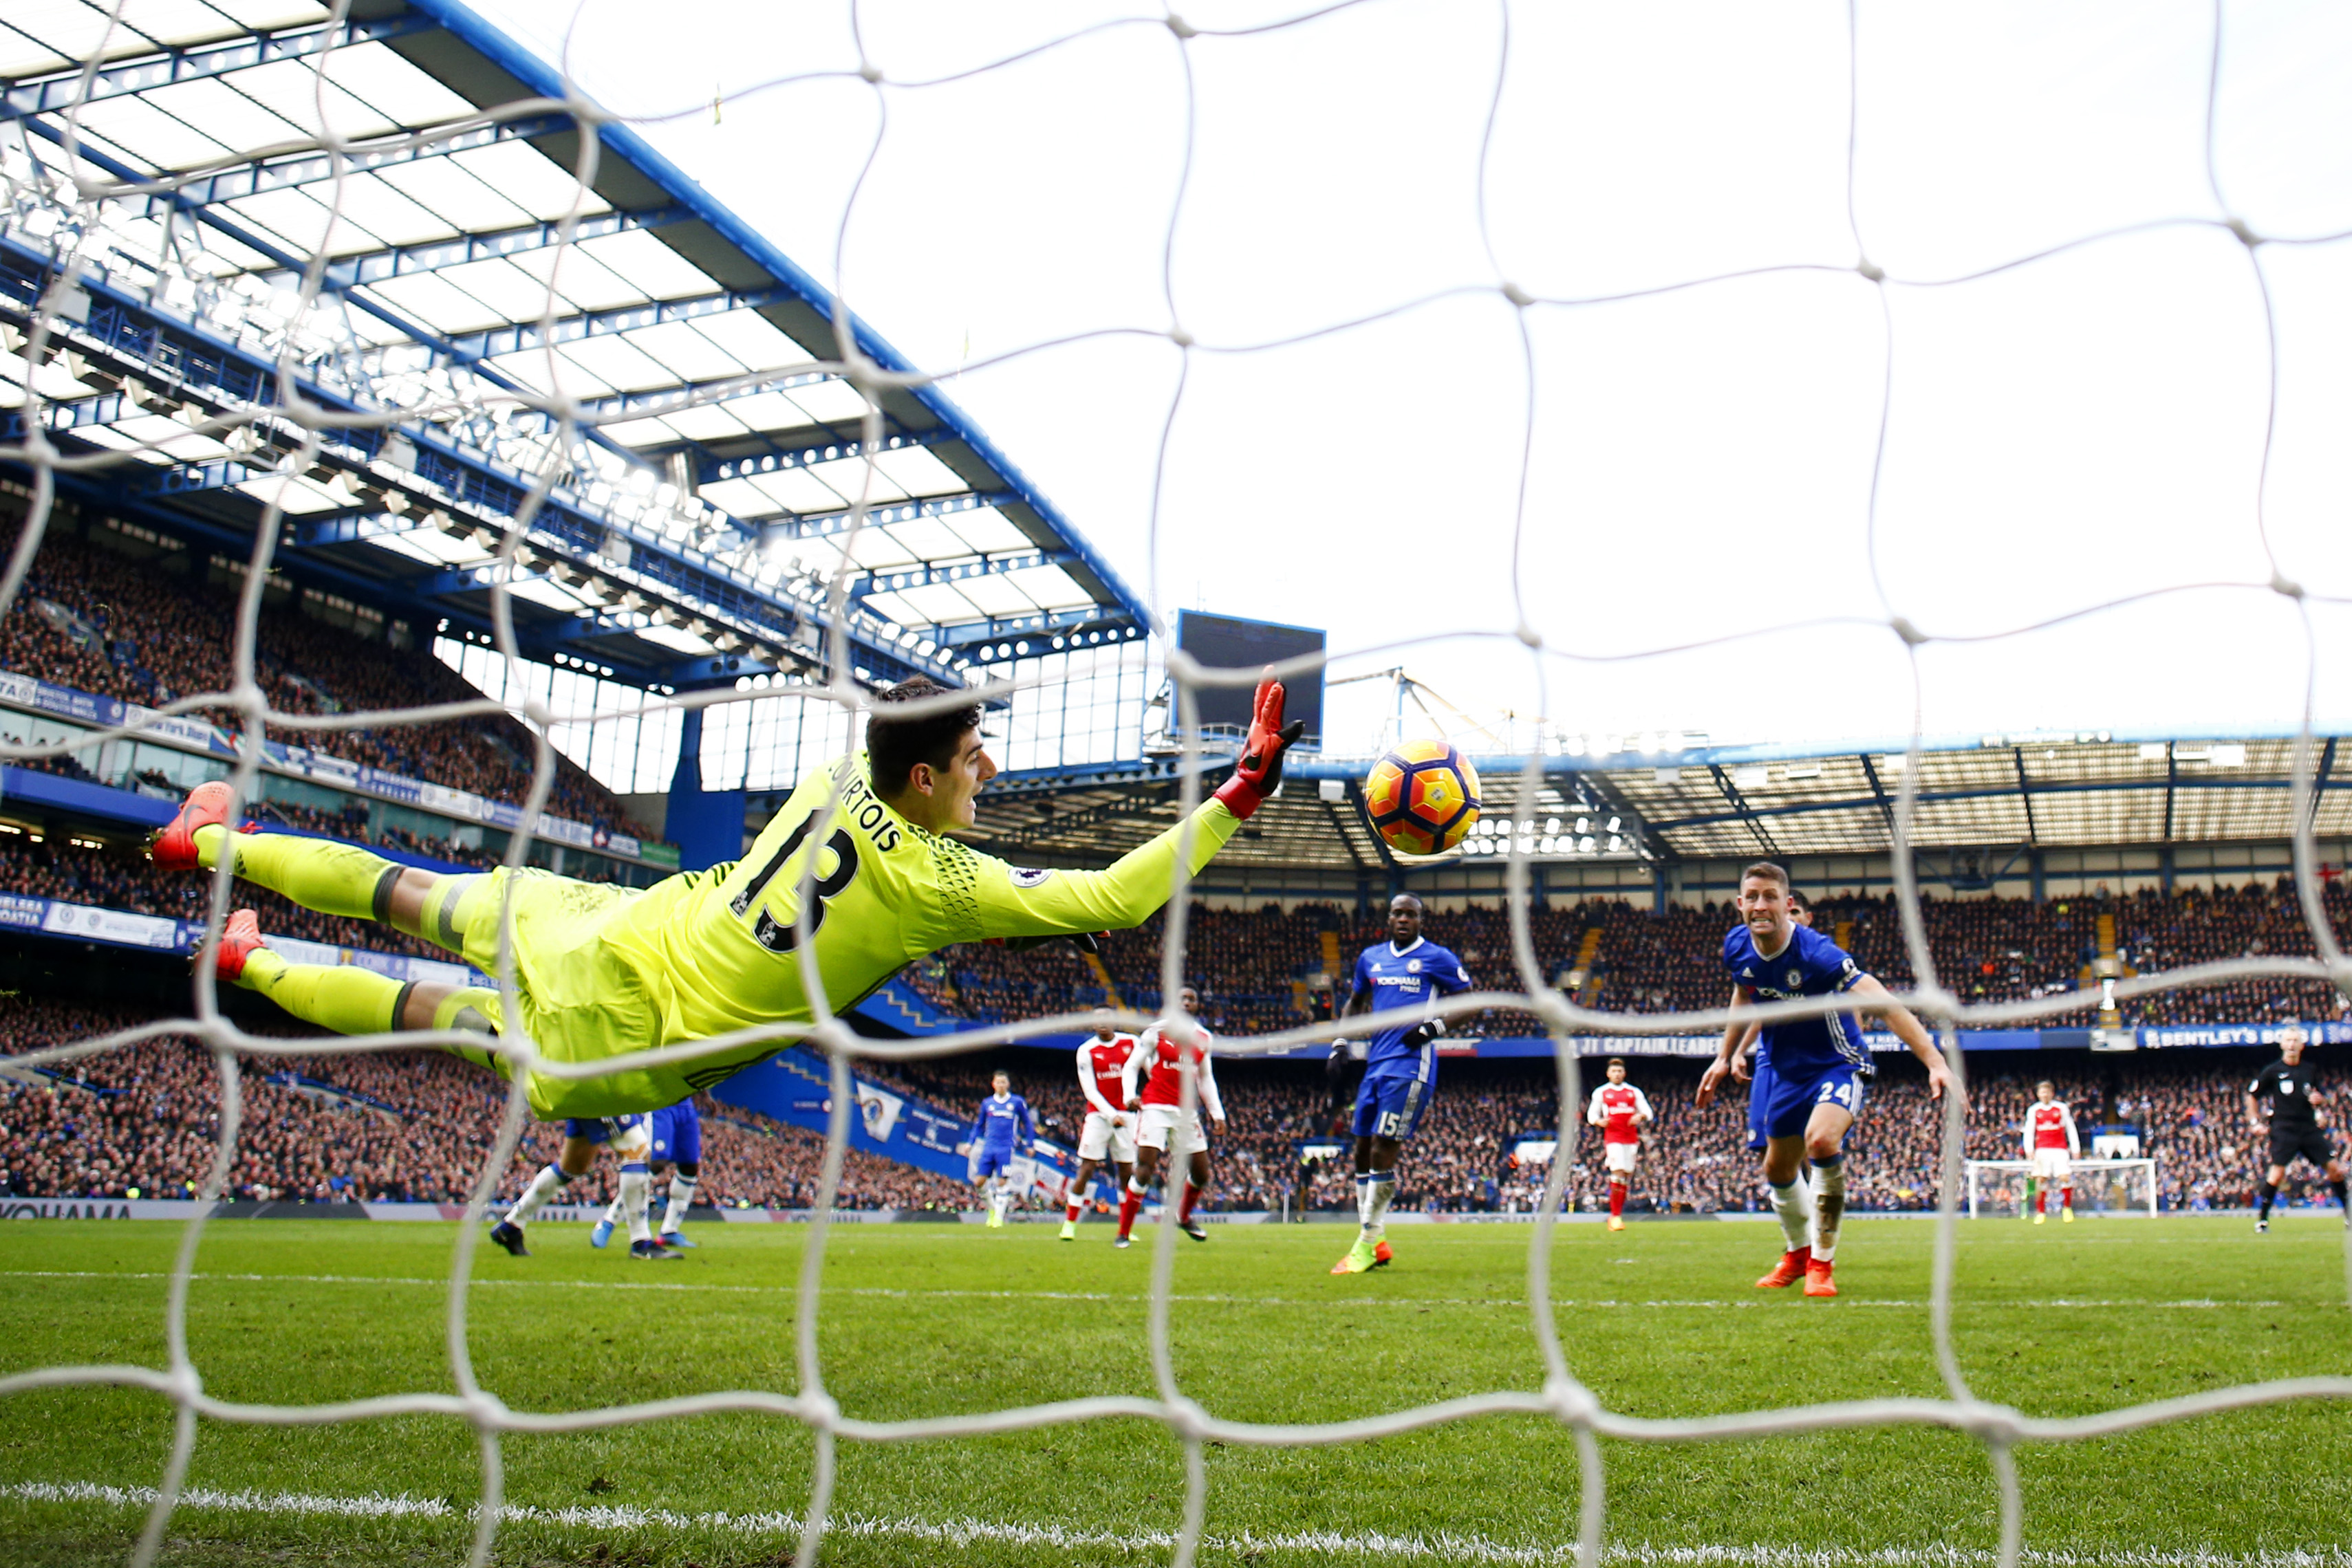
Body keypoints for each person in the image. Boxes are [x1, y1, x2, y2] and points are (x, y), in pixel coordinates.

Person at [153, 675, 1300, 1105]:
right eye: (971, 756)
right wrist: (1237, 789)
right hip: (624, 1045)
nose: (988, 768)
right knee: (426, 1015)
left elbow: (893, 717)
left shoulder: (838, 769)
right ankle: (249, 961)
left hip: (614, 928)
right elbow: (1113, 897)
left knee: (415, 893)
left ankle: (210, 845)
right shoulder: (942, 884)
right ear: (921, 776)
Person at [1696, 862, 1953, 1298]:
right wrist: (1726, 1056)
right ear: (1740, 904)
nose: (1761, 905)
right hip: (1784, 1069)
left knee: (1821, 1143)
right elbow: (1744, 990)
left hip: (1837, 1062)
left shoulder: (1818, 955)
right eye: (1753, 897)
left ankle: (1822, 1262)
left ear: (1787, 904)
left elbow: (1886, 1003)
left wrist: (1934, 1061)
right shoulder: (1737, 946)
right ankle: (1797, 1254)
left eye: (1770, 897)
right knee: (1776, 1167)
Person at [1328, 893, 1471, 1276]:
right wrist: (1341, 1042)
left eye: (1411, 914)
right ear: (1388, 918)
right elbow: (1354, 1002)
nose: (1404, 919)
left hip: (1411, 1068)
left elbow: (1471, 1004)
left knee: (1381, 1149)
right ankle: (1375, 1240)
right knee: (1360, 1148)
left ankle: (1367, 1240)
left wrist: (1431, 1029)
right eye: (1398, 913)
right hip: (1375, 1065)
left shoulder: (1438, 958)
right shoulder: (1371, 958)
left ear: (1421, 920)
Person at [1115, 985, 1225, 1249]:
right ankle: (1123, 1232)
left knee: (1201, 1175)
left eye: (1192, 999)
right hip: (1155, 1107)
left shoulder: (1203, 1037)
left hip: (1187, 1112)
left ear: (1197, 1005)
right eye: (1182, 998)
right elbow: (1131, 1065)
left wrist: (1217, 1112)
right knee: (1145, 1169)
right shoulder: (1157, 1031)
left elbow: (1205, 1077)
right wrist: (1129, 1095)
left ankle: (1183, 1217)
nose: (1187, 1002)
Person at [490, 1111, 679, 1262]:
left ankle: (510, 1227)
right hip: (599, 1085)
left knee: (572, 1166)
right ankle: (641, 1243)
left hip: (583, 1083)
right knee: (636, 1150)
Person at [2246, 1023, 2349, 1232]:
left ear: (2302, 1045)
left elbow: (2319, 1097)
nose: (2292, 1044)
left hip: (2308, 1128)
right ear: (2282, 1044)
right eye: (2289, 1040)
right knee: (2276, 1175)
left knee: (2335, 1170)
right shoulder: (2273, 1071)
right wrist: (2254, 1122)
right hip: (2284, 1129)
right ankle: (2262, 1220)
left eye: (2296, 1041)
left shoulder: (2309, 1070)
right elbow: (2252, 1096)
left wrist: (2319, 1102)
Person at [1732, 890, 1811, 1157]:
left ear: (1808, 919)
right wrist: (1738, 1051)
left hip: (1812, 1057)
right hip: (1771, 1057)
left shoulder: (1822, 956)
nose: (1790, 919)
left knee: (1813, 1142)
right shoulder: (1762, 959)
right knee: (1771, 1149)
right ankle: (1792, 1199)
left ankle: (1819, 1198)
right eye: (1787, 914)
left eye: (1796, 914)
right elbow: (1759, 1010)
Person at [592, 1097, 702, 1250]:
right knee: (656, 1163)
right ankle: (609, 1221)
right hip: (661, 1102)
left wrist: (704, 1095)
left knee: (689, 1166)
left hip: (686, 1104)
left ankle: (669, 1231)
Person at [1064, 1010, 1138, 1239]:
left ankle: (1125, 1229)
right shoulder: (1086, 1050)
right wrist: (1110, 1114)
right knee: (1086, 1169)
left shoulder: (1132, 1043)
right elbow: (1089, 1090)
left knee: (1127, 1173)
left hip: (1127, 1116)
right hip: (1098, 1116)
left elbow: (1148, 1069)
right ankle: (1070, 1224)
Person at [1585, 1057, 1653, 1231]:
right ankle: (1615, 1216)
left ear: (1624, 1073)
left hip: (1631, 1138)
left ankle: (1617, 1215)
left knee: (1625, 1177)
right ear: (1608, 1074)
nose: (1617, 1074)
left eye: (1620, 1071)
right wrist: (1599, 1122)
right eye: (1614, 1071)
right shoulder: (1602, 1092)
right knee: (1618, 1173)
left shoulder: (1633, 1092)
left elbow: (1648, 1112)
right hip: (1613, 1137)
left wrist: (1641, 1116)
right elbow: (1591, 1114)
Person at [961, 1070, 1036, 1227]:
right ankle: (993, 1209)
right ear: (993, 1084)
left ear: (1008, 1084)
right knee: (979, 1182)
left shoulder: (1016, 1102)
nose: (1001, 1085)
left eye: (1004, 1082)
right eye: (998, 1082)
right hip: (989, 1147)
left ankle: (998, 1219)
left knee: (1003, 1181)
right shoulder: (987, 1103)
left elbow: (1028, 1123)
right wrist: (970, 1143)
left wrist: (1030, 1144)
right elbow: (979, 1125)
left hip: (1006, 1149)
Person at [2022, 1080, 2080, 1226]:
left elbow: (2071, 1128)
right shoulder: (2034, 1110)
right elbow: (2029, 1130)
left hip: (2060, 1148)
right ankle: (2041, 1212)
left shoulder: (2061, 1108)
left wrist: (2076, 1149)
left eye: (2047, 1092)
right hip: (2042, 1149)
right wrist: (2029, 1149)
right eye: (2042, 1092)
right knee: (2040, 1180)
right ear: (2038, 1094)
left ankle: (2067, 1208)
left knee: (2065, 1177)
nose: (2044, 1095)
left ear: (2052, 1093)